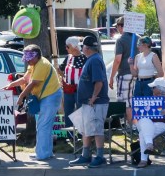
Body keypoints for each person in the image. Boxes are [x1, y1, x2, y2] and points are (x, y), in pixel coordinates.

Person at [8, 45, 63, 162]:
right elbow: (24, 79)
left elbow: (33, 83)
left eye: (29, 58)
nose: (27, 60)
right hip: (47, 97)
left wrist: (21, 96)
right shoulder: (34, 64)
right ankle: (46, 152)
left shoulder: (42, 64)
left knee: (43, 126)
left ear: (37, 56)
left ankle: (42, 154)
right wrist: (11, 85)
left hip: (51, 96)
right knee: (44, 126)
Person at [68, 35, 109, 168]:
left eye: (82, 47)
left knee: (97, 130)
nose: (82, 49)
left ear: (86, 48)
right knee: (86, 130)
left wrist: (93, 97)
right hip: (88, 102)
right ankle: (86, 155)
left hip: (95, 102)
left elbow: (99, 81)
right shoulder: (91, 59)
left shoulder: (95, 61)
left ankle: (99, 156)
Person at [134, 77, 165, 168]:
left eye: (154, 87)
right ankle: (149, 145)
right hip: (149, 125)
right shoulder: (150, 99)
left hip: (163, 124)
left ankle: (144, 159)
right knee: (144, 120)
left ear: (160, 89)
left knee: (142, 134)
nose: (152, 89)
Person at [59, 36, 86, 128]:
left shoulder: (85, 58)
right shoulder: (68, 57)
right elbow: (60, 69)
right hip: (68, 89)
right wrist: (65, 78)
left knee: (80, 110)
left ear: (73, 46)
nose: (66, 48)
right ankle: (69, 132)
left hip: (80, 90)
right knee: (68, 111)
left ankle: (80, 132)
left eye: (67, 46)